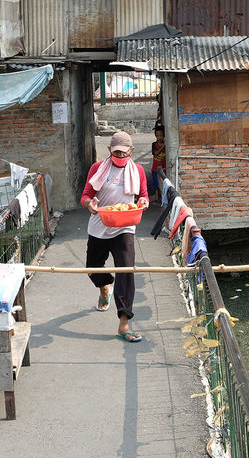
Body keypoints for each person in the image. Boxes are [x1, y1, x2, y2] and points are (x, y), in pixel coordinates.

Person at [80, 130, 149, 342]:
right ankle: (103, 288)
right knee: (92, 268)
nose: (120, 157)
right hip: (100, 224)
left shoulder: (137, 171)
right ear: (109, 150)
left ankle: (124, 323)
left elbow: (143, 196)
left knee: (126, 271)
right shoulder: (97, 168)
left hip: (125, 226)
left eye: (124, 153)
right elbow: (86, 196)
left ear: (131, 151)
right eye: (116, 153)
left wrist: (143, 203)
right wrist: (89, 204)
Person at [148, 124, 166, 204]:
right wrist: (162, 147)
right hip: (155, 168)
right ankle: (156, 196)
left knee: (163, 183)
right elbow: (155, 153)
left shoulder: (167, 145)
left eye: (161, 135)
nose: (159, 137)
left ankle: (162, 197)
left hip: (164, 168)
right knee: (155, 183)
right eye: (158, 135)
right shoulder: (154, 145)